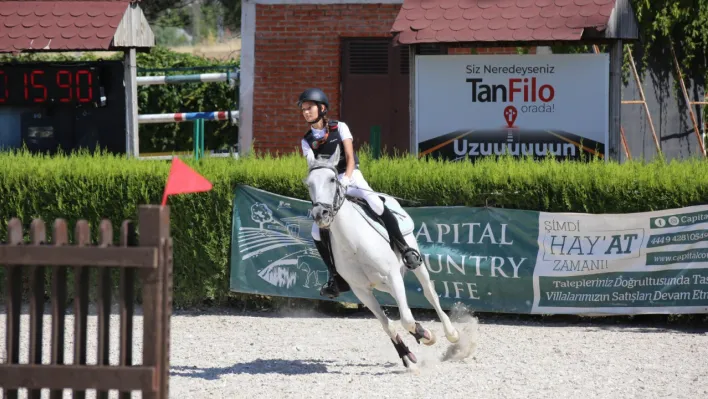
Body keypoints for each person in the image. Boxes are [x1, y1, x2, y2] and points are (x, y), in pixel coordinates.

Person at [297, 88, 423, 299]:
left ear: (322, 108)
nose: (306, 112)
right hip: (329, 184)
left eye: (309, 108)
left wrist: (345, 179)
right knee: (316, 232)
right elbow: (313, 169)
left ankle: (405, 249)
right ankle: (335, 276)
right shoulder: (306, 140)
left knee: (376, 204)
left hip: (350, 176)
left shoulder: (340, 127)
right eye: (303, 110)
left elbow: (350, 157)